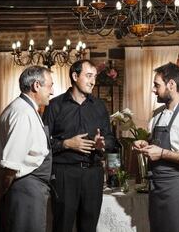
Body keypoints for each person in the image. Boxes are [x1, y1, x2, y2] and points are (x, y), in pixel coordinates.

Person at [42, 59, 115, 232]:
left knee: (89, 228)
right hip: (64, 174)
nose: (93, 81)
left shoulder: (99, 107)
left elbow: (112, 139)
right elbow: (42, 143)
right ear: (75, 76)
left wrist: (103, 144)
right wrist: (66, 144)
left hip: (93, 174)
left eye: (95, 77)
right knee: (62, 226)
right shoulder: (54, 106)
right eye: (88, 76)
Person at [133, 62, 179, 232]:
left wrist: (162, 153)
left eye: (157, 84)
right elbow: (156, 145)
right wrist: (145, 144)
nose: (153, 89)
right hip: (156, 188)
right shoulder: (157, 115)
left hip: (177, 190)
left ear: (171, 85)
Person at [0, 65, 54, 232]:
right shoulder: (23, 113)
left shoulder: (26, 109)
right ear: (36, 85)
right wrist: (2, 194)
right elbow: (10, 166)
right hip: (25, 191)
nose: (52, 91)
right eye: (50, 85)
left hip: (29, 191)